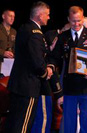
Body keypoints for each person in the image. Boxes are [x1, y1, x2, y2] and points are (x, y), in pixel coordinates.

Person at [52, 6, 87, 133]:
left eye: (79, 20)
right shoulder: (63, 37)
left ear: (83, 18)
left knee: (86, 123)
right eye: (73, 21)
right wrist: (51, 68)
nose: (76, 24)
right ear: (68, 19)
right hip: (69, 87)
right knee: (69, 124)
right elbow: (54, 58)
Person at [4, 1, 53, 133]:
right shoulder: (35, 34)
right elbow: (37, 61)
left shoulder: (23, 28)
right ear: (39, 15)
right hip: (29, 86)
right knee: (23, 124)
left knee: (13, 121)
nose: (49, 17)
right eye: (47, 15)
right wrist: (46, 72)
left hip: (18, 84)